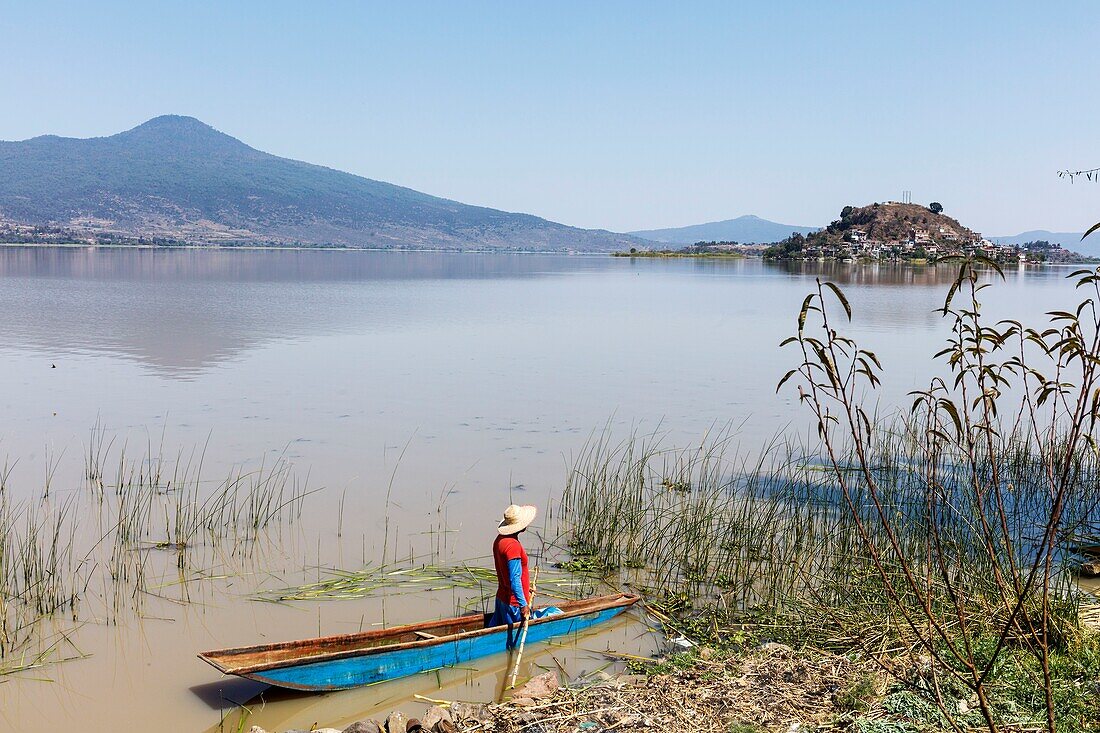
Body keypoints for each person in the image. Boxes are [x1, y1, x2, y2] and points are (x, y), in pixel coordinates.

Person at [488, 503, 536, 640]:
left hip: (501, 599)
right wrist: (523, 605)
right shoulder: (512, 546)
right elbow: (514, 579)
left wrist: (526, 588)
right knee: (515, 639)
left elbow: (506, 572)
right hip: (513, 604)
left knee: (497, 633)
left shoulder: (500, 540)